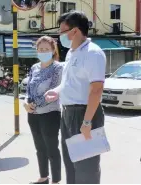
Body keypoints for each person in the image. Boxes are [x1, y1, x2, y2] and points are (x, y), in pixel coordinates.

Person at [44, 11, 106, 184]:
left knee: (86, 166)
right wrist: (56, 91)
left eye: (63, 31)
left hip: (85, 114)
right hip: (68, 113)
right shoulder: (72, 53)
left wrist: (87, 122)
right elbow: (69, 82)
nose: (60, 36)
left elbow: (96, 90)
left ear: (75, 31)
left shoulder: (93, 53)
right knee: (71, 163)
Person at [24, 36, 63, 184]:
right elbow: (28, 89)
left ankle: (56, 180)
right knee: (39, 147)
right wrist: (26, 103)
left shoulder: (58, 68)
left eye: (46, 49)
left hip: (50, 114)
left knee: (52, 148)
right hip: (33, 115)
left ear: (53, 50)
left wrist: (35, 104)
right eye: (40, 49)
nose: (43, 51)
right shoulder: (34, 67)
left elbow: (54, 91)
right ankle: (44, 177)